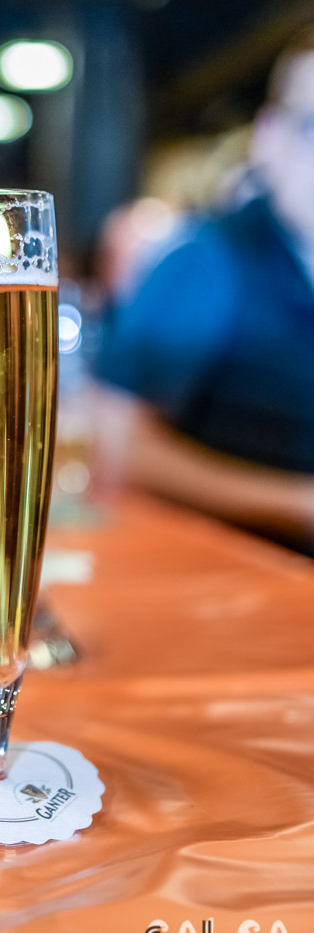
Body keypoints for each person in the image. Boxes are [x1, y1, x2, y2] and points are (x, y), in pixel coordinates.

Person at [96, 29, 314, 554]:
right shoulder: (210, 261)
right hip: (259, 582)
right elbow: (118, 450)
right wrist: (297, 504)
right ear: (268, 137)